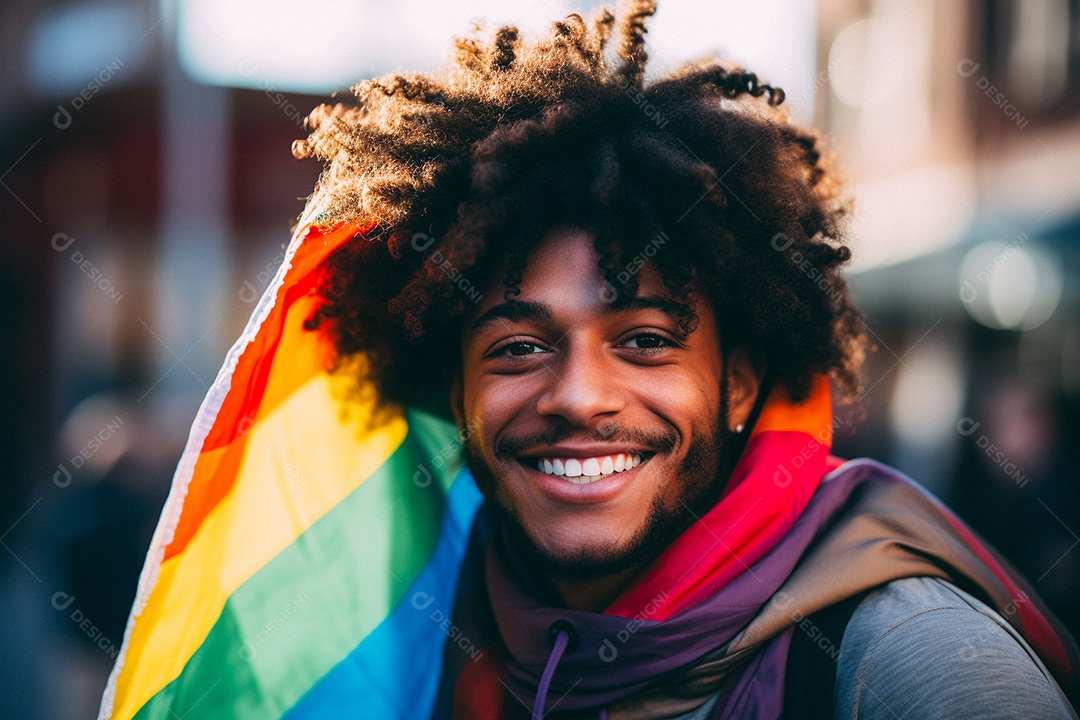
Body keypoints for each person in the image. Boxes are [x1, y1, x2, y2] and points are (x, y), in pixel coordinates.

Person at [99, 2, 1078, 719]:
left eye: (646, 341)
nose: (577, 397)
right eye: (520, 346)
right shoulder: (435, 642)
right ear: (456, 387)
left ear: (739, 381)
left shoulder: (903, 661)